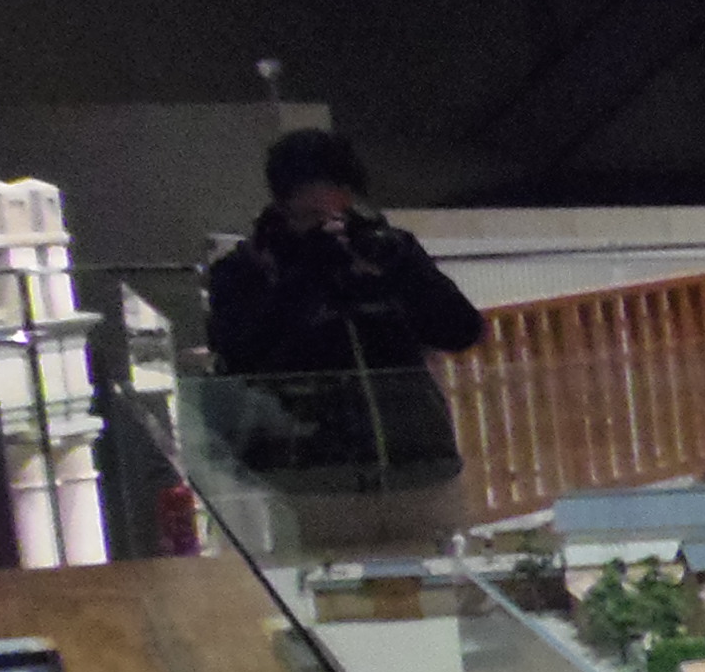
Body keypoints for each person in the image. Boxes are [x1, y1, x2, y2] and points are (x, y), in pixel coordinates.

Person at [200, 128, 490, 541]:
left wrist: (403, 273)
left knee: (443, 575)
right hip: (319, 484)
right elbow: (244, 357)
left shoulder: (384, 249)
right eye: (312, 219)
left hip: (420, 469)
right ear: (283, 207)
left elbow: (462, 331)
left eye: (339, 215)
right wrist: (305, 277)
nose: (331, 230)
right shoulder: (248, 269)